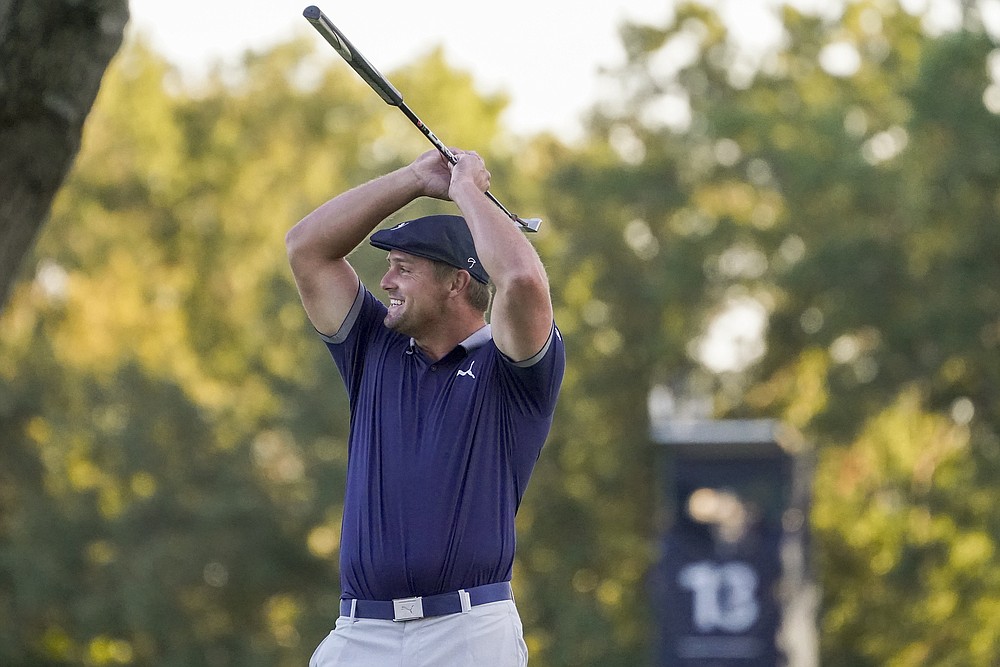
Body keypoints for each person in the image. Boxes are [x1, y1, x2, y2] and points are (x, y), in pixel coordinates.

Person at [285, 147, 565, 667]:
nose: (386, 282)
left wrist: (469, 193)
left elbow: (523, 282)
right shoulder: (373, 348)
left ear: (457, 282)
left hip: (468, 633)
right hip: (360, 632)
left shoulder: (512, 371)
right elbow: (306, 248)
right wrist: (415, 179)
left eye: (403, 269)